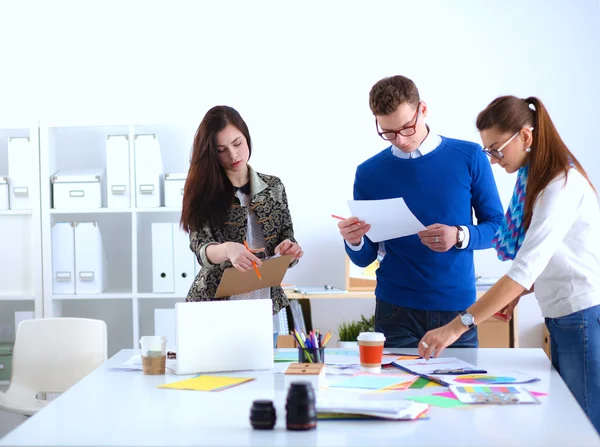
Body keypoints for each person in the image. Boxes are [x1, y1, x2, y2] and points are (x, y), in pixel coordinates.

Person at [418, 95, 600, 433]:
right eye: (488, 151)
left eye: (497, 149)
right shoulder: (537, 182)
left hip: (581, 316)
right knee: (571, 421)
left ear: (526, 138)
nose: (493, 159)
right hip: (564, 316)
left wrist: (455, 327)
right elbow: (546, 257)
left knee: (583, 426)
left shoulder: (559, 185)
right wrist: (520, 293)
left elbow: (525, 268)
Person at [338, 75, 504, 348]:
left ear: (422, 110)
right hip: (395, 309)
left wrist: (460, 235)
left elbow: (498, 227)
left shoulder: (469, 156)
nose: (400, 140)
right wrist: (354, 240)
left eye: (406, 128)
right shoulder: (368, 173)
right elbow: (364, 258)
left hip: (457, 310)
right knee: (394, 390)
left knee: (459, 390)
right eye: (388, 132)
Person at [181, 105, 303, 344]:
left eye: (237, 144)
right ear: (210, 153)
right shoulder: (202, 192)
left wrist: (289, 250)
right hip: (216, 306)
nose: (233, 155)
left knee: (264, 378)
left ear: (247, 137)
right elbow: (201, 247)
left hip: (264, 304)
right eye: (221, 150)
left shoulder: (274, 187)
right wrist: (228, 249)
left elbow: (286, 238)